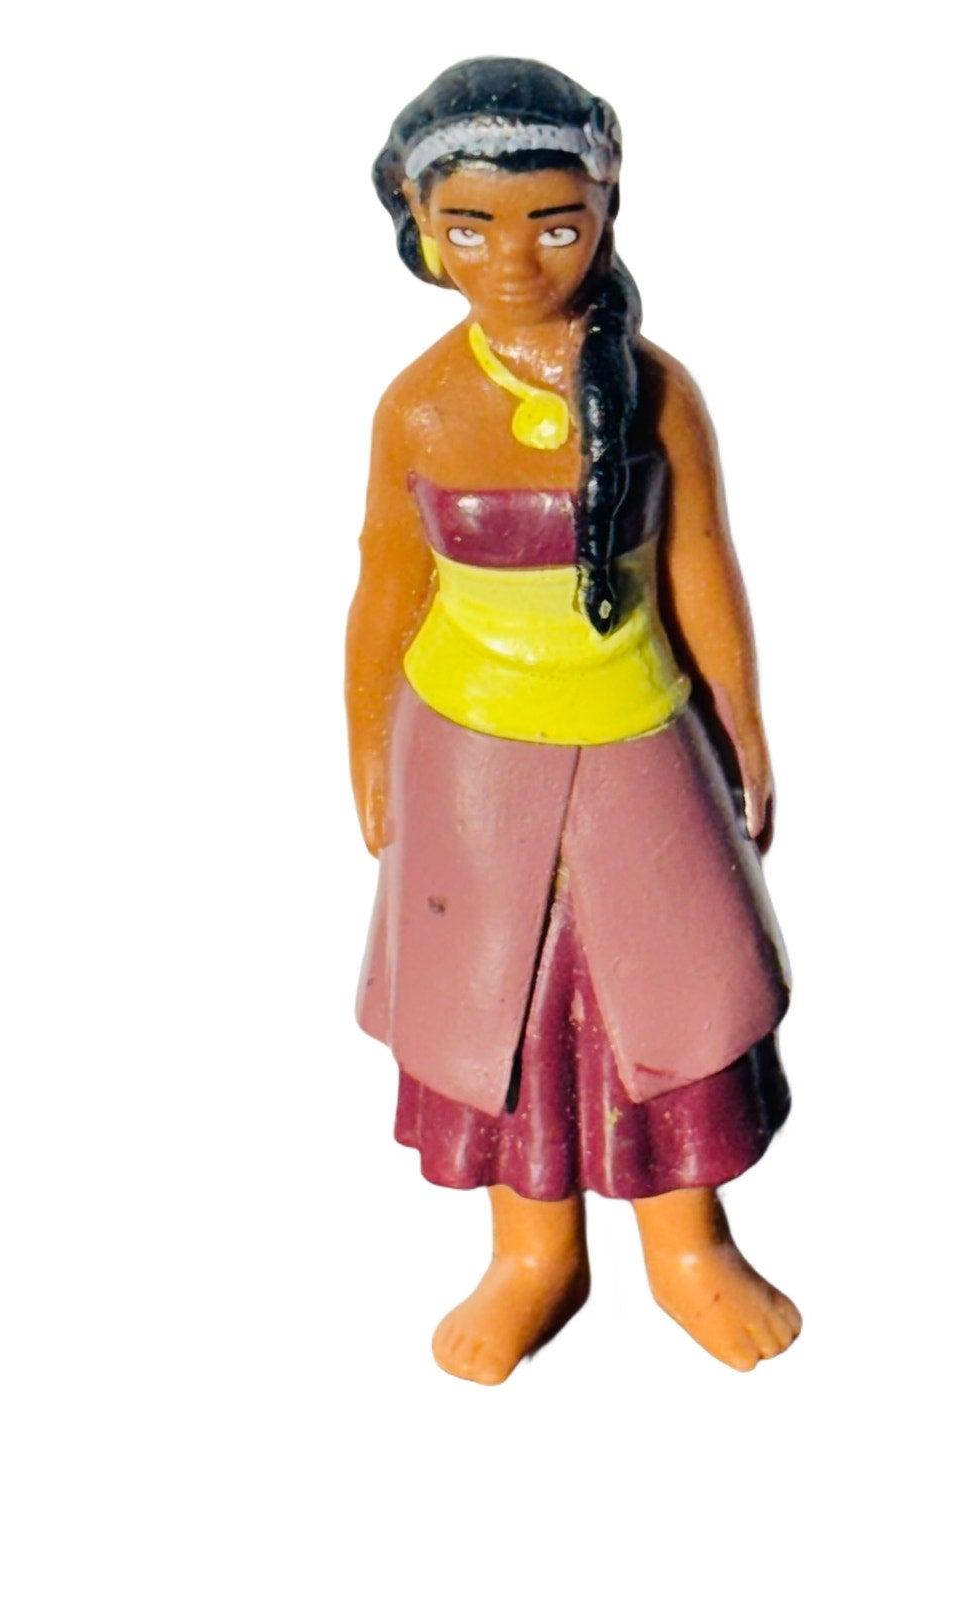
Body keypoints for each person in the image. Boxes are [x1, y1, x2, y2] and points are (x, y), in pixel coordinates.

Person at [348, 57, 801, 1383]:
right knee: (500, 1005)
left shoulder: (660, 394)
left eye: (554, 225)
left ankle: (688, 1248)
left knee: (673, 992)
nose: (511, 260)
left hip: (640, 737)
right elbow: (385, 585)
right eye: (469, 227)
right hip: (471, 756)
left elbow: (699, 558)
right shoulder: (419, 407)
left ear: (606, 210)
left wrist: (743, 724)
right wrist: (366, 749)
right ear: (419, 223)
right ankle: (532, 1252)